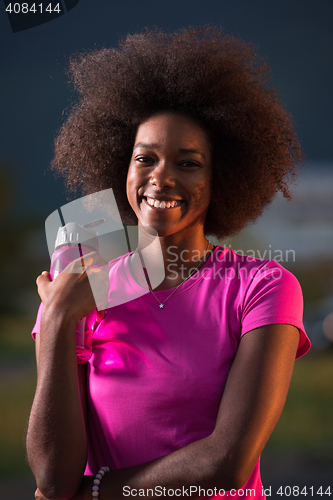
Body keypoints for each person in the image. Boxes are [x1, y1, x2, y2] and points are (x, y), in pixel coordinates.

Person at [27, 26, 311, 500]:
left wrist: (96, 492)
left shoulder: (262, 287)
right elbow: (52, 480)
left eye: (188, 163)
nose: (161, 177)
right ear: (123, 167)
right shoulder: (77, 292)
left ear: (222, 178)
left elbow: (226, 463)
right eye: (146, 158)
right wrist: (58, 317)